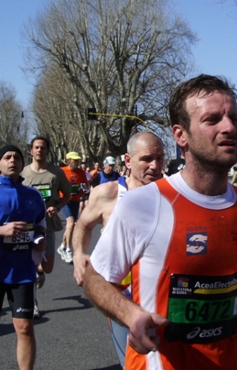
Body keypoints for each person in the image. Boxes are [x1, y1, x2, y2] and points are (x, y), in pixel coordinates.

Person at [83, 74, 237, 370]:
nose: (229, 127)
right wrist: (132, 315)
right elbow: (96, 276)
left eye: (233, 117)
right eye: (212, 120)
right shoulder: (143, 204)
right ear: (180, 135)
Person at [72, 132, 164, 369]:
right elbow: (83, 224)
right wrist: (78, 254)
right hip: (121, 295)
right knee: (131, 363)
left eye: (160, 158)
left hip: (160, 294)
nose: (155, 166)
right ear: (128, 160)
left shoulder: (169, 194)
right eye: (146, 159)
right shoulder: (107, 194)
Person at [0, 145, 47, 370]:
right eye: (7, 157)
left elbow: (40, 225)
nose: (12, 161)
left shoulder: (33, 195)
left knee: (25, 327)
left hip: (22, 271)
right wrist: (2, 230)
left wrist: (40, 239)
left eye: (16, 157)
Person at [21, 136, 71, 318]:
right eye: (36, 147)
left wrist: (57, 207)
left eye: (43, 148)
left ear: (48, 151)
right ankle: (31, 302)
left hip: (48, 225)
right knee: (28, 266)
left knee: (47, 267)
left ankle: (39, 272)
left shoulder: (56, 173)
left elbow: (67, 194)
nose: (39, 150)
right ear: (31, 151)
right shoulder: (23, 173)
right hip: (27, 227)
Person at [57, 152, 88, 264]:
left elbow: (85, 185)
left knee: (71, 226)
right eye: (74, 160)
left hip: (75, 200)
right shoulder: (62, 171)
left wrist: (84, 191)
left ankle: (62, 246)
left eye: (77, 160)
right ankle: (69, 250)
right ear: (68, 160)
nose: (76, 162)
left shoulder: (81, 172)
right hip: (65, 200)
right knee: (70, 224)